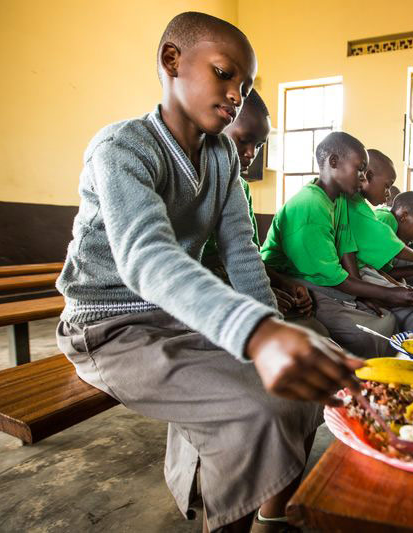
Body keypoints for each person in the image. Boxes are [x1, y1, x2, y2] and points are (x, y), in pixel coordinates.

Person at [54, 12, 363, 533]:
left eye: (244, 86)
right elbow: (146, 257)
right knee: (255, 409)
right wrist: (258, 335)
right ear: (171, 61)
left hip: (173, 316)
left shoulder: (220, 156)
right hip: (108, 327)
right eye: (224, 73)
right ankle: (225, 515)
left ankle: (270, 512)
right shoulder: (122, 148)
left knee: (310, 362)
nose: (236, 94)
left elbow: (242, 252)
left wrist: (276, 331)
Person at [261, 132, 413, 357]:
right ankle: (367, 385)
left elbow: (346, 251)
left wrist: (367, 294)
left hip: (321, 277)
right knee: (369, 333)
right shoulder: (310, 206)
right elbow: (332, 276)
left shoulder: (339, 200)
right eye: (359, 170)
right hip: (291, 280)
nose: (363, 178)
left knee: (385, 318)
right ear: (334, 162)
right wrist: (388, 294)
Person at [201, 89, 326, 335]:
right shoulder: (195, 181)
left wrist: (284, 284)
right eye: (243, 140)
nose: (251, 153)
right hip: (208, 292)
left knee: (314, 329)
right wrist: (251, 295)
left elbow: (247, 255)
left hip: (234, 280)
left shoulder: (241, 187)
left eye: (258, 145)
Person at [343, 149, 413, 329]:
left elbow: (379, 267)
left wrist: (402, 279)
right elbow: (383, 238)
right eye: (387, 186)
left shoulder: (359, 205)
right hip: (355, 273)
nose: (388, 194)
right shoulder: (385, 217)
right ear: (368, 176)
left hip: (364, 271)